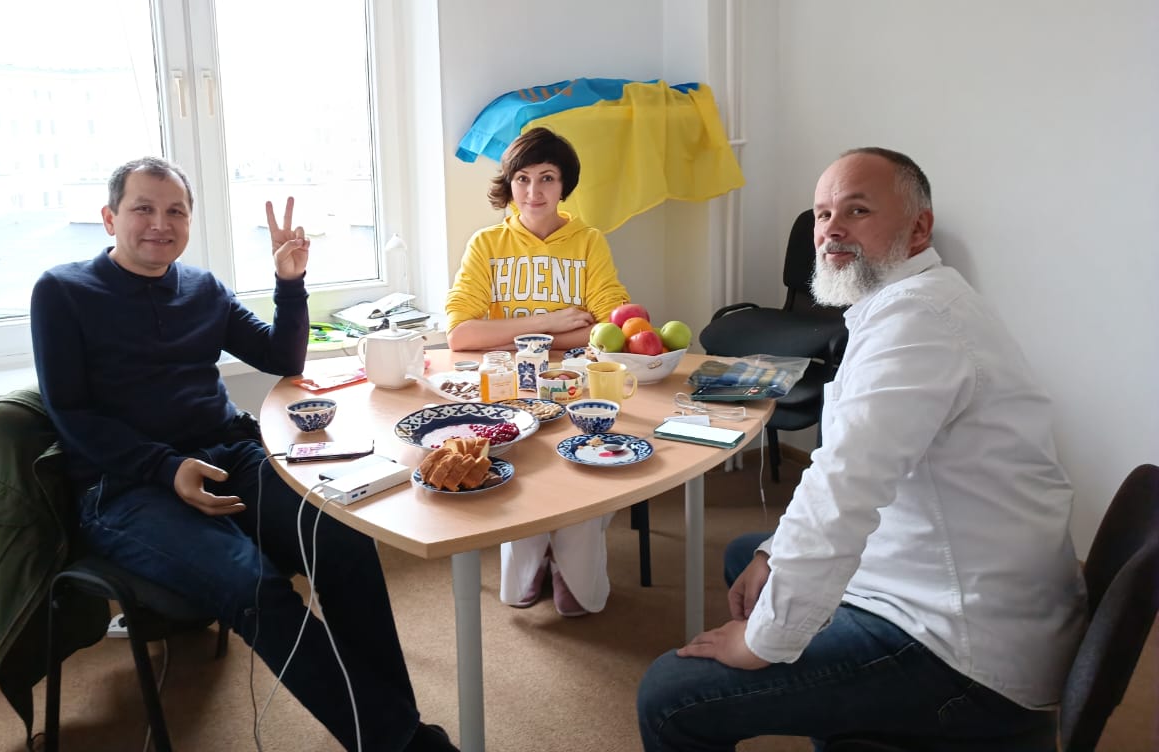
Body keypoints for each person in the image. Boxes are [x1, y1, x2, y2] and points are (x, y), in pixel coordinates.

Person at [637, 148, 1086, 751]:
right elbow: (840, 469)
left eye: (857, 209)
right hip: (942, 577)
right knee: (751, 557)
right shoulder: (905, 304)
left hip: (962, 646)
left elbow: (843, 490)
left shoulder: (918, 325)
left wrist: (762, 642)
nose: (831, 229)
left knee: (670, 697)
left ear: (919, 226)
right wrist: (775, 550)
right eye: (823, 213)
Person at [31, 157, 456, 752]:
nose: (161, 223)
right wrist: (164, 467)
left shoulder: (202, 288)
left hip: (228, 454)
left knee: (343, 539)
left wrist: (289, 281)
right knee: (251, 581)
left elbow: (283, 358)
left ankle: (393, 724)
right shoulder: (62, 291)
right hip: (125, 486)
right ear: (109, 218)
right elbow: (70, 413)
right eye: (143, 209)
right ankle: (399, 743)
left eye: (175, 210)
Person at [444, 127, 630, 616]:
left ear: (563, 184)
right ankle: (532, 562)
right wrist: (548, 323)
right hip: (507, 387)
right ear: (509, 185)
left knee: (587, 460)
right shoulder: (487, 244)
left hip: (577, 383)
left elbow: (610, 324)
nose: (534, 192)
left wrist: (506, 335)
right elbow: (461, 334)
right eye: (522, 179)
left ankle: (572, 568)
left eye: (547, 178)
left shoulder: (589, 242)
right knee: (523, 465)